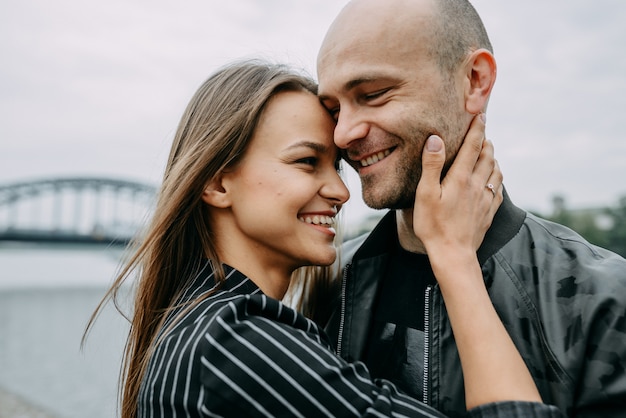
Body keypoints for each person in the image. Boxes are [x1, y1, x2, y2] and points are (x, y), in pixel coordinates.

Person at [83, 59, 565, 418]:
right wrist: (454, 256)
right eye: (304, 162)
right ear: (216, 183)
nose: (339, 191)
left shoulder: (201, 326)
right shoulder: (236, 349)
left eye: (335, 165)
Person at [315, 0, 626, 417]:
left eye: (372, 94)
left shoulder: (605, 303)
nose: (343, 133)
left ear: (475, 81)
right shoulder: (320, 283)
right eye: (333, 109)